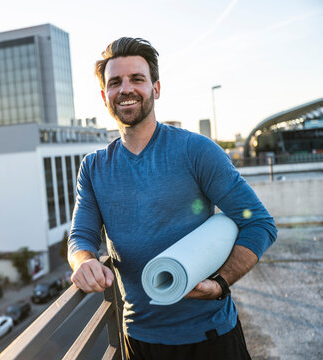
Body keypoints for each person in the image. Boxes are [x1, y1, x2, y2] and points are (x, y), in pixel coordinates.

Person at [68, 37, 277, 359]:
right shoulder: (94, 167)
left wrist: (221, 283)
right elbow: (80, 236)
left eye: (137, 79)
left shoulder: (196, 150)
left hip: (210, 337)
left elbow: (258, 222)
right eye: (115, 82)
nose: (125, 89)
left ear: (156, 88)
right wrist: (84, 262)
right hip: (139, 339)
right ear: (104, 95)